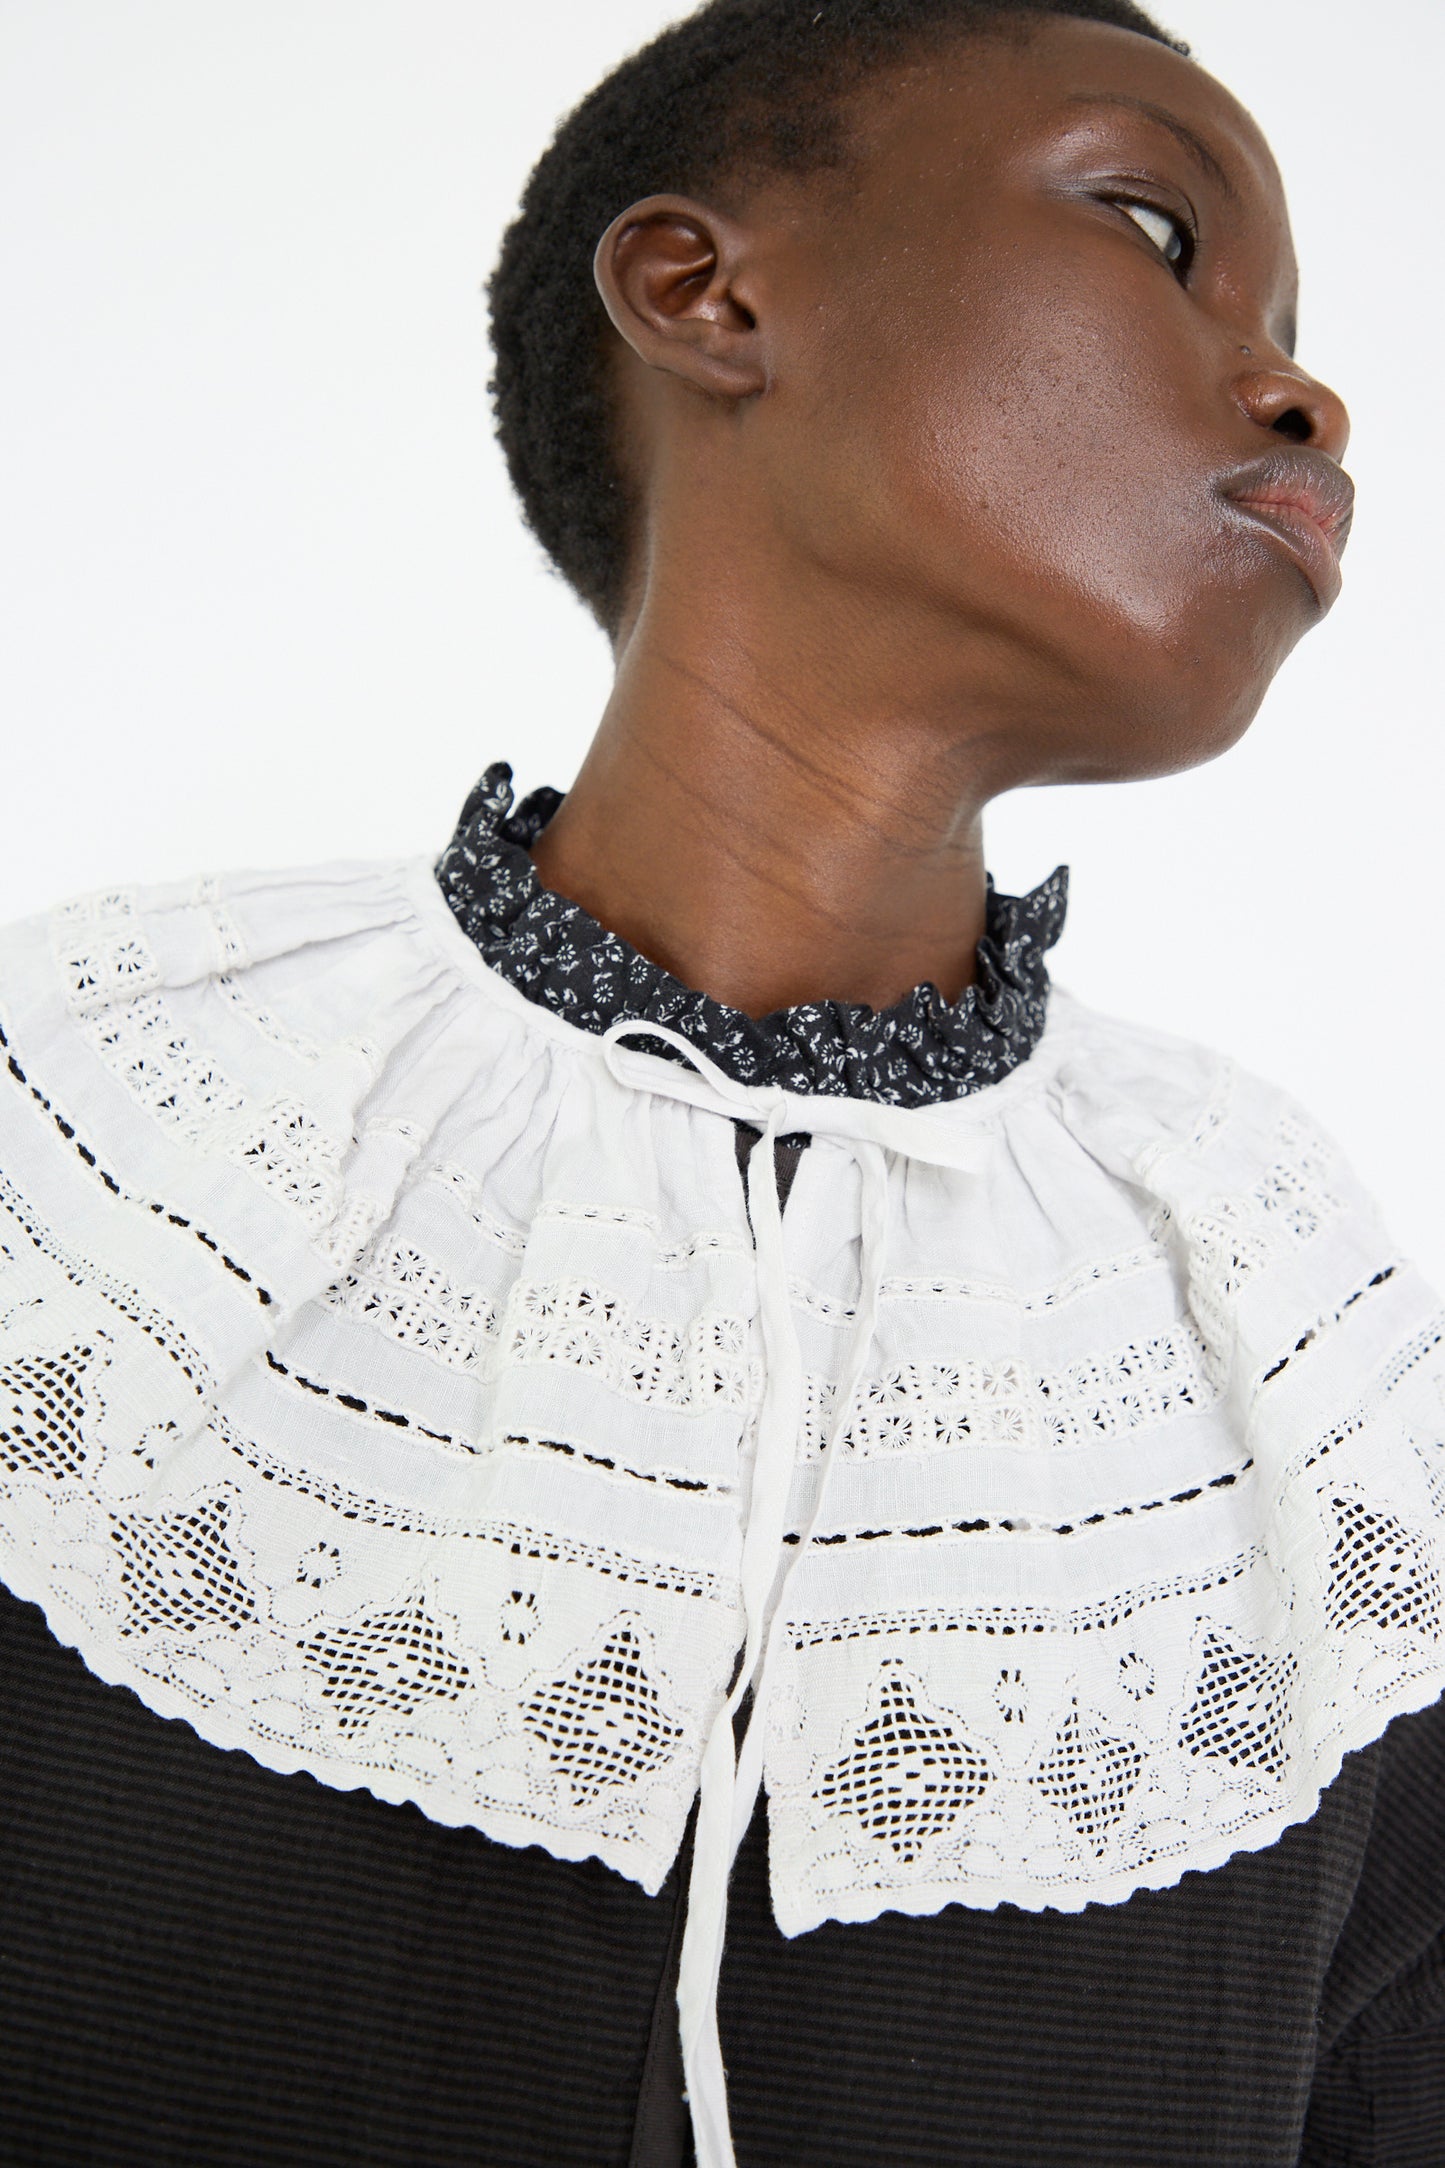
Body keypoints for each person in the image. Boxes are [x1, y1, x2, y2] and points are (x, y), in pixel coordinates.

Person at [0, 1, 1440, 2162]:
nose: (1304, 387)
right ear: (708, 292)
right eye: (1156, 230)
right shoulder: (94, 1134)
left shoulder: (1294, 1328)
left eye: (1299, 322)